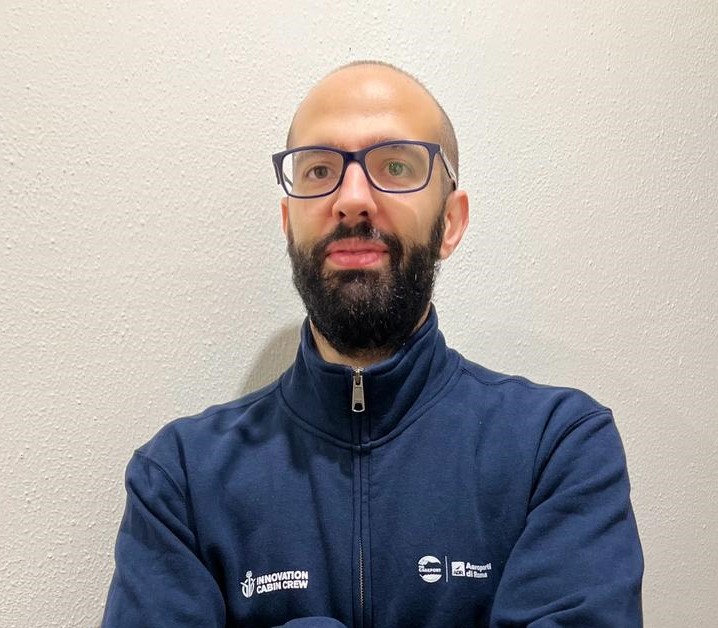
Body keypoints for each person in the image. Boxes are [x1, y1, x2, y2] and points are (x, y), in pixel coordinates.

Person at [102, 61, 643, 627]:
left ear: (450, 222)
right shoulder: (181, 479)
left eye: (395, 166)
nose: (352, 198)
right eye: (319, 170)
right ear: (288, 221)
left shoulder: (557, 448)